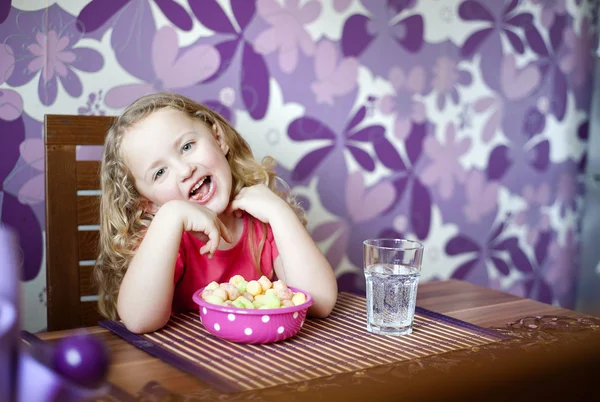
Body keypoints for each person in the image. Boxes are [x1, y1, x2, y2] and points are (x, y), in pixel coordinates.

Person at [93, 92, 338, 334]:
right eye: (159, 173)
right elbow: (139, 321)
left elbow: (320, 302)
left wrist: (280, 213)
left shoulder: (262, 224)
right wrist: (169, 218)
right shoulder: (164, 238)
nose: (185, 170)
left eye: (187, 146)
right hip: (186, 364)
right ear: (148, 204)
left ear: (218, 138)